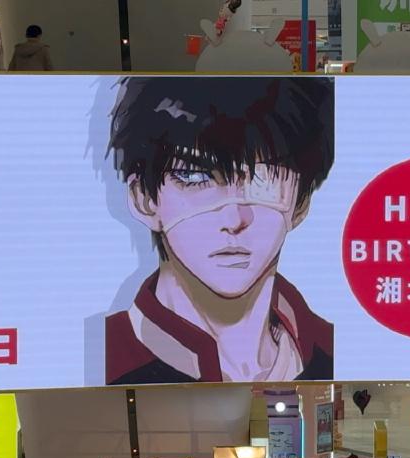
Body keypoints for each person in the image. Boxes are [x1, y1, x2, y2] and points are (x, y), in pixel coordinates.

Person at [102, 77, 335, 385]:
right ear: (144, 199)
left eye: (263, 179)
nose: (234, 218)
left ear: (301, 202)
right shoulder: (99, 358)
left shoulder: (335, 350)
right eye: (195, 177)